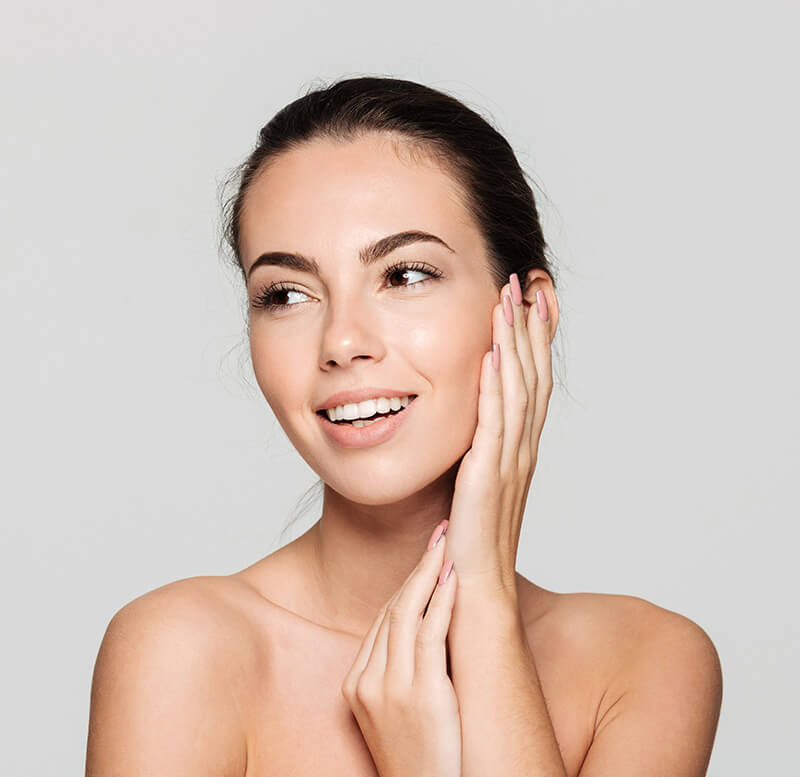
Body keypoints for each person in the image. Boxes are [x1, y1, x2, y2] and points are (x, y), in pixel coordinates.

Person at [85, 76, 723, 777]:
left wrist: (482, 606)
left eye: (405, 274)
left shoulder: (643, 663)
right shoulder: (182, 652)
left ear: (528, 310)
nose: (342, 340)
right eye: (287, 293)